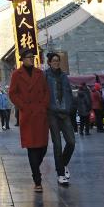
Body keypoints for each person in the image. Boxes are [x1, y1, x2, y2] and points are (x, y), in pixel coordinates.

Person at [9, 49, 49, 192]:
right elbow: (12, 93)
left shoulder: (40, 73)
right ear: (23, 59)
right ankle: (37, 180)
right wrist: (22, 106)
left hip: (40, 114)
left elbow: (46, 91)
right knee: (32, 148)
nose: (31, 59)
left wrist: (44, 106)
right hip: (28, 114)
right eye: (29, 57)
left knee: (43, 147)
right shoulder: (17, 74)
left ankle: (35, 168)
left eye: (32, 57)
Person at [44, 52, 75, 185]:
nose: (56, 62)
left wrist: (70, 107)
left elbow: (69, 92)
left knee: (71, 142)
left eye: (58, 60)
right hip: (52, 113)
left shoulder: (64, 76)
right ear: (49, 62)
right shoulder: (45, 75)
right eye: (54, 60)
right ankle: (60, 174)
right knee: (57, 144)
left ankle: (63, 163)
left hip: (65, 112)